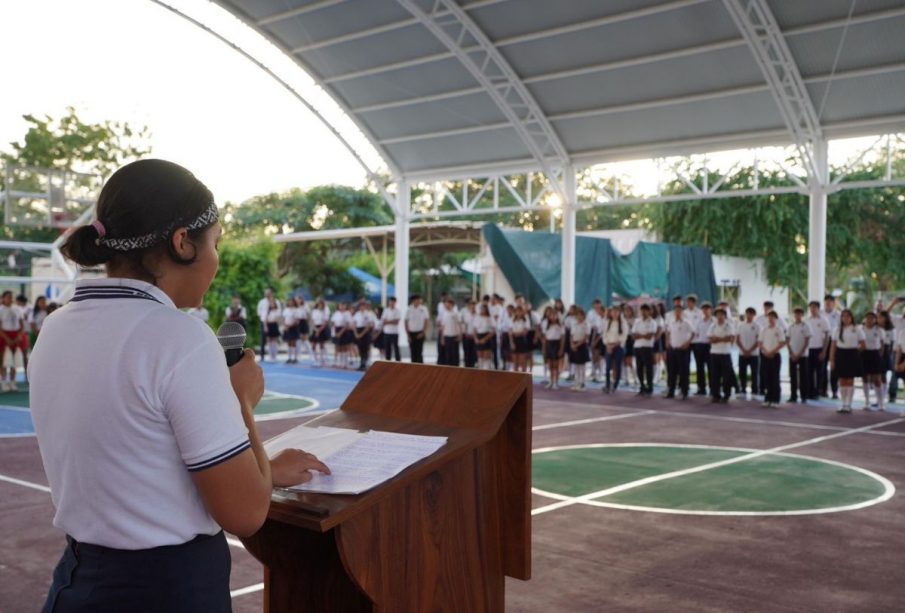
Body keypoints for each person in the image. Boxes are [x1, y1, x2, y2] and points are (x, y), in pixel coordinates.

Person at [29, 159, 328, 612]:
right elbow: (245, 514)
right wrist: (240, 399)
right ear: (182, 242)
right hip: (165, 591)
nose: (216, 260)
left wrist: (264, 470)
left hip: (79, 582)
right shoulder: (179, 339)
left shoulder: (57, 327)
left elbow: (140, 465)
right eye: (215, 243)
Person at [831, 309, 865, 413]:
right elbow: (833, 346)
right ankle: (843, 403)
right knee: (842, 380)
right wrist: (832, 360)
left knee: (850, 380)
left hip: (852, 355)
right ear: (841, 318)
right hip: (840, 355)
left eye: (848, 316)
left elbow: (863, 344)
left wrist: (855, 351)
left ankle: (848, 404)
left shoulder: (857, 329)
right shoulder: (837, 329)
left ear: (851, 318)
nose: (846, 318)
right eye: (844, 316)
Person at [665, 303, 694, 400]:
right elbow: (668, 332)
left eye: (679, 311)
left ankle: (685, 392)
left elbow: (693, 333)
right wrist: (668, 341)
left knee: (683, 371)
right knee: (672, 371)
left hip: (683, 350)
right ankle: (671, 391)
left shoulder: (686, 322)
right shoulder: (671, 322)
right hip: (673, 349)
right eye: (676, 311)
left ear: (682, 312)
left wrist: (688, 343)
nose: (677, 313)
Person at [758, 311, 786, 408]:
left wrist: (772, 352)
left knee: (775, 378)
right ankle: (767, 398)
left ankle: (776, 399)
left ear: (776, 319)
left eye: (773, 317)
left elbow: (782, 343)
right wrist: (766, 351)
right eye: (769, 317)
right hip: (765, 356)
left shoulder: (779, 329)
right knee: (766, 378)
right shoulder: (764, 329)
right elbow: (760, 343)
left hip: (775, 356)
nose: (771, 319)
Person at [708, 307, 735, 404]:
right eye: (718, 315)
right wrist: (722, 338)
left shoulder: (729, 325)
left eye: (722, 315)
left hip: (725, 353)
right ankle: (716, 395)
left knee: (726, 376)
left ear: (725, 316)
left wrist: (718, 339)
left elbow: (730, 338)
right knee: (715, 376)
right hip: (714, 353)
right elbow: (710, 339)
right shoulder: (712, 326)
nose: (720, 317)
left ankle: (726, 395)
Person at [806, 300, 830, 401]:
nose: (812, 309)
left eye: (814, 307)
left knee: (819, 372)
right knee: (809, 372)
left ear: (818, 308)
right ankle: (810, 391)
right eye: (811, 307)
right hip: (809, 349)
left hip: (819, 348)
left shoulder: (823, 320)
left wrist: (824, 351)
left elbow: (827, 336)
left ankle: (819, 391)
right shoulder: (807, 320)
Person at [631, 304, 658, 397]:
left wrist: (640, 335)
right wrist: (642, 335)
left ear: (650, 311)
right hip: (637, 347)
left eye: (646, 310)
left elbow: (650, 336)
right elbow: (633, 335)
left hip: (647, 347)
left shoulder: (652, 322)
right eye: (642, 310)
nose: (643, 312)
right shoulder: (637, 321)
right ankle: (642, 386)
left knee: (648, 368)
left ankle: (649, 387)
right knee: (639, 368)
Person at [0, 291, 24, 392]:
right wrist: (6, 338)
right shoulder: (0, 309)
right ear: (3, 298)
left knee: (14, 360)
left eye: (11, 297)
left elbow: (22, 323)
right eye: (8, 297)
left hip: (16, 335)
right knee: (2, 360)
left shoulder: (17, 309)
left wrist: (19, 335)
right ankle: (4, 382)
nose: (10, 299)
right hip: (4, 335)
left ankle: (13, 382)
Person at [861, 312, 885, 411]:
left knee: (877, 379)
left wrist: (880, 355)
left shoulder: (879, 330)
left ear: (875, 320)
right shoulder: (860, 329)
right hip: (863, 354)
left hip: (875, 354)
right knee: (865, 378)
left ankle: (881, 403)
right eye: (868, 318)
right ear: (865, 319)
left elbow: (883, 344)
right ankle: (867, 402)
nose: (870, 320)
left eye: (872, 318)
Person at [786, 307, 811, 403]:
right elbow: (787, 340)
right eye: (796, 314)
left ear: (802, 315)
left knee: (803, 376)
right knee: (793, 376)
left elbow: (807, 341)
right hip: (792, 355)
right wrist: (791, 353)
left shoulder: (805, 326)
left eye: (799, 314)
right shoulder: (791, 326)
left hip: (803, 355)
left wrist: (800, 353)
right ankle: (793, 396)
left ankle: (804, 396)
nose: (797, 316)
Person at [602, 306, 627, 394]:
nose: (615, 314)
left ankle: (615, 385)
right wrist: (607, 345)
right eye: (613, 312)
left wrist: (613, 346)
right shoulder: (607, 322)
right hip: (609, 346)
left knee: (617, 366)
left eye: (616, 312)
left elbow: (623, 337)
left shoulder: (623, 323)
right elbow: (604, 335)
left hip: (618, 347)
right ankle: (607, 385)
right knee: (608, 367)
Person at [736, 307, 760, 398]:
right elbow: (737, 340)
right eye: (748, 313)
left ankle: (755, 390)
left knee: (754, 373)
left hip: (754, 354)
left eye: (751, 314)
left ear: (754, 315)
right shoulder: (740, 325)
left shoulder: (757, 326)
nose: (749, 316)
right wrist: (744, 350)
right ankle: (743, 388)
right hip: (742, 353)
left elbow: (758, 341)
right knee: (742, 372)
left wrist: (750, 350)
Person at [691, 302, 713, 396]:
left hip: (710, 346)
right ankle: (701, 388)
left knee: (711, 368)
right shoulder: (699, 321)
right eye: (704, 309)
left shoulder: (714, 321)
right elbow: (696, 333)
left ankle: (713, 388)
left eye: (707, 308)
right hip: (700, 345)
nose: (705, 310)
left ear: (710, 310)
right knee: (700, 368)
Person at [823, 294, 842, 398]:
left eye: (830, 302)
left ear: (834, 304)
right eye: (827, 302)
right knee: (823, 367)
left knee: (834, 367)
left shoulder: (839, 315)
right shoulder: (820, 314)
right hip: (823, 342)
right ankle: (823, 390)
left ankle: (834, 391)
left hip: (835, 342)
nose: (828, 304)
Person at [541, 308, 565, 390]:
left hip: (556, 344)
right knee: (550, 365)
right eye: (551, 315)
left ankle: (556, 382)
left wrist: (561, 349)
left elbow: (562, 338)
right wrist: (544, 348)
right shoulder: (546, 325)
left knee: (556, 365)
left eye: (554, 315)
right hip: (549, 344)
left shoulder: (560, 325)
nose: (553, 317)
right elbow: (545, 338)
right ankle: (551, 381)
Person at [568, 308, 590, 391]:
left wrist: (577, 345)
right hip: (574, 344)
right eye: (577, 315)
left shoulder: (586, 324)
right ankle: (577, 382)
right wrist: (572, 344)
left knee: (582, 366)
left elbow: (586, 337)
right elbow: (571, 335)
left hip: (582, 345)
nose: (579, 317)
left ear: (584, 316)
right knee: (576, 365)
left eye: (581, 315)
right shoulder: (574, 324)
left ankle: (582, 383)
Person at [405, 295, 429, 364]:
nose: (418, 301)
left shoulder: (424, 309)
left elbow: (426, 321)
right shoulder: (409, 309)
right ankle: (413, 368)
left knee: (419, 352)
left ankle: (421, 368)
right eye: (417, 300)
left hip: (420, 333)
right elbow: (406, 322)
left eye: (419, 299)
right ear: (413, 301)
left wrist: (423, 332)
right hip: (411, 333)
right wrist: (408, 335)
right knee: (413, 352)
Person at [353, 301, 376, 371]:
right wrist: (356, 333)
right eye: (360, 306)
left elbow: (369, 325)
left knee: (365, 349)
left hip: (365, 332)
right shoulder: (357, 314)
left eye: (363, 306)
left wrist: (361, 334)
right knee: (360, 349)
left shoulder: (368, 314)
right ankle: (361, 364)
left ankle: (365, 364)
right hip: (358, 330)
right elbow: (354, 324)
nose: (362, 307)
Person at [438, 297, 462, 367]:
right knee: (447, 355)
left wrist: (460, 336)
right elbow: (443, 327)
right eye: (445, 304)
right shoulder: (444, 314)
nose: (446, 306)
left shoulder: (456, 313)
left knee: (455, 355)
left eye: (448, 304)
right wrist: (442, 338)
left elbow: (460, 325)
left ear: (452, 305)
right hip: (446, 336)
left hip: (454, 336)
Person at [256, 288, 278, 360]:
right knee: (264, 338)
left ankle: (273, 356)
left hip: (273, 322)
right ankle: (263, 355)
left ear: (271, 293)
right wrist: (263, 319)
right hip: (264, 322)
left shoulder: (276, 301)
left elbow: (278, 311)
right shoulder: (262, 302)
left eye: (268, 293)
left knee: (274, 339)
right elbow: (259, 312)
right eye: (266, 293)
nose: (267, 294)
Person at [309, 298, 331, 367]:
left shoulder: (325, 311)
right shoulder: (314, 311)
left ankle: (323, 359)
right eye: (318, 303)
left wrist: (319, 330)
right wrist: (315, 329)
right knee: (313, 345)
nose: (319, 305)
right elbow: (312, 321)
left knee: (322, 344)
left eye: (321, 303)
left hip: (322, 328)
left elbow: (325, 322)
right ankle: (315, 360)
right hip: (315, 328)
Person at [473, 304, 495, 370]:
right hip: (479, 337)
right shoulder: (477, 317)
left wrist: (485, 339)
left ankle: (486, 372)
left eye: (484, 309)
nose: (482, 310)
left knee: (486, 358)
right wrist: (476, 339)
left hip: (487, 337)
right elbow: (474, 329)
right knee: (480, 358)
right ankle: (480, 373)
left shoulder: (490, 318)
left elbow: (493, 331)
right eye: (481, 309)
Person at [380, 297, 402, 362]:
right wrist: (391, 321)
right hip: (387, 332)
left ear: (395, 302)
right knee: (387, 348)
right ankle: (388, 362)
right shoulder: (386, 310)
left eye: (393, 302)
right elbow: (383, 321)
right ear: (389, 302)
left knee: (396, 348)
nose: (391, 303)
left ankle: (398, 362)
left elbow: (397, 322)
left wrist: (388, 321)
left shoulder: (398, 311)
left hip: (395, 332)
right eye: (390, 302)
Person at [281, 297, 302, 364]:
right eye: (289, 301)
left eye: (292, 301)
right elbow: (284, 319)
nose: (290, 303)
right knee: (289, 342)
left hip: (293, 327)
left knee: (293, 342)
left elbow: (297, 321)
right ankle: (289, 357)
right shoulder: (286, 310)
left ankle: (295, 358)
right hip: (287, 327)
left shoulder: (296, 310)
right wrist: (285, 326)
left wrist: (290, 325)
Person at [461, 299, 478, 368]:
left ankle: (472, 365)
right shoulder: (466, 314)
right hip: (467, 335)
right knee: (466, 351)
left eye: (474, 305)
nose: (473, 307)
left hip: (475, 336)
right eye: (471, 305)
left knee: (474, 352)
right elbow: (464, 324)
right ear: (469, 306)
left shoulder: (477, 314)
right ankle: (467, 365)